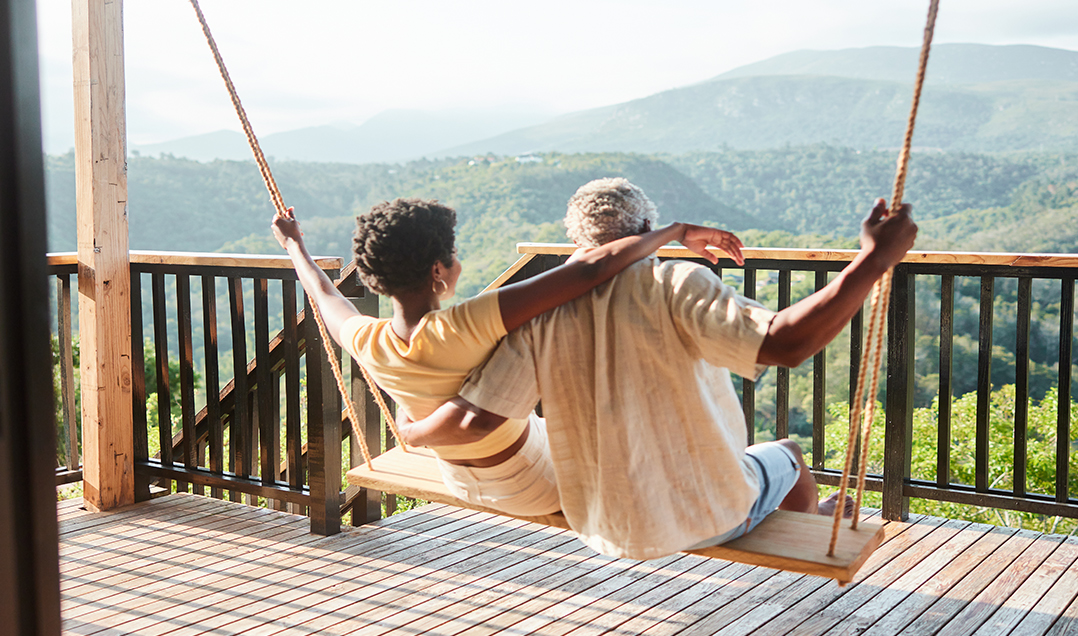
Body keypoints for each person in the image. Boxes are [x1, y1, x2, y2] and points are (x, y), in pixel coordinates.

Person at [408, 178, 917, 560]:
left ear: (579, 242)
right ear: (648, 231)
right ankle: (808, 528)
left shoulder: (539, 314)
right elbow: (786, 343)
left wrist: (411, 430)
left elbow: (481, 416)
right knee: (787, 454)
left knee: (764, 464)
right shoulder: (675, 284)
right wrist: (873, 260)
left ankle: (796, 521)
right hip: (706, 516)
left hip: (603, 523)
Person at [270, 197, 746, 516]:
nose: (458, 261)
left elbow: (324, 291)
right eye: (453, 253)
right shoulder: (464, 324)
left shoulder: (365, 338)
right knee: (549, 331)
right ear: (439, 269)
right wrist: (675, 230)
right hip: (531, 485)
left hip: (461, 478)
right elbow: (588, 271)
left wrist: (295, 245)